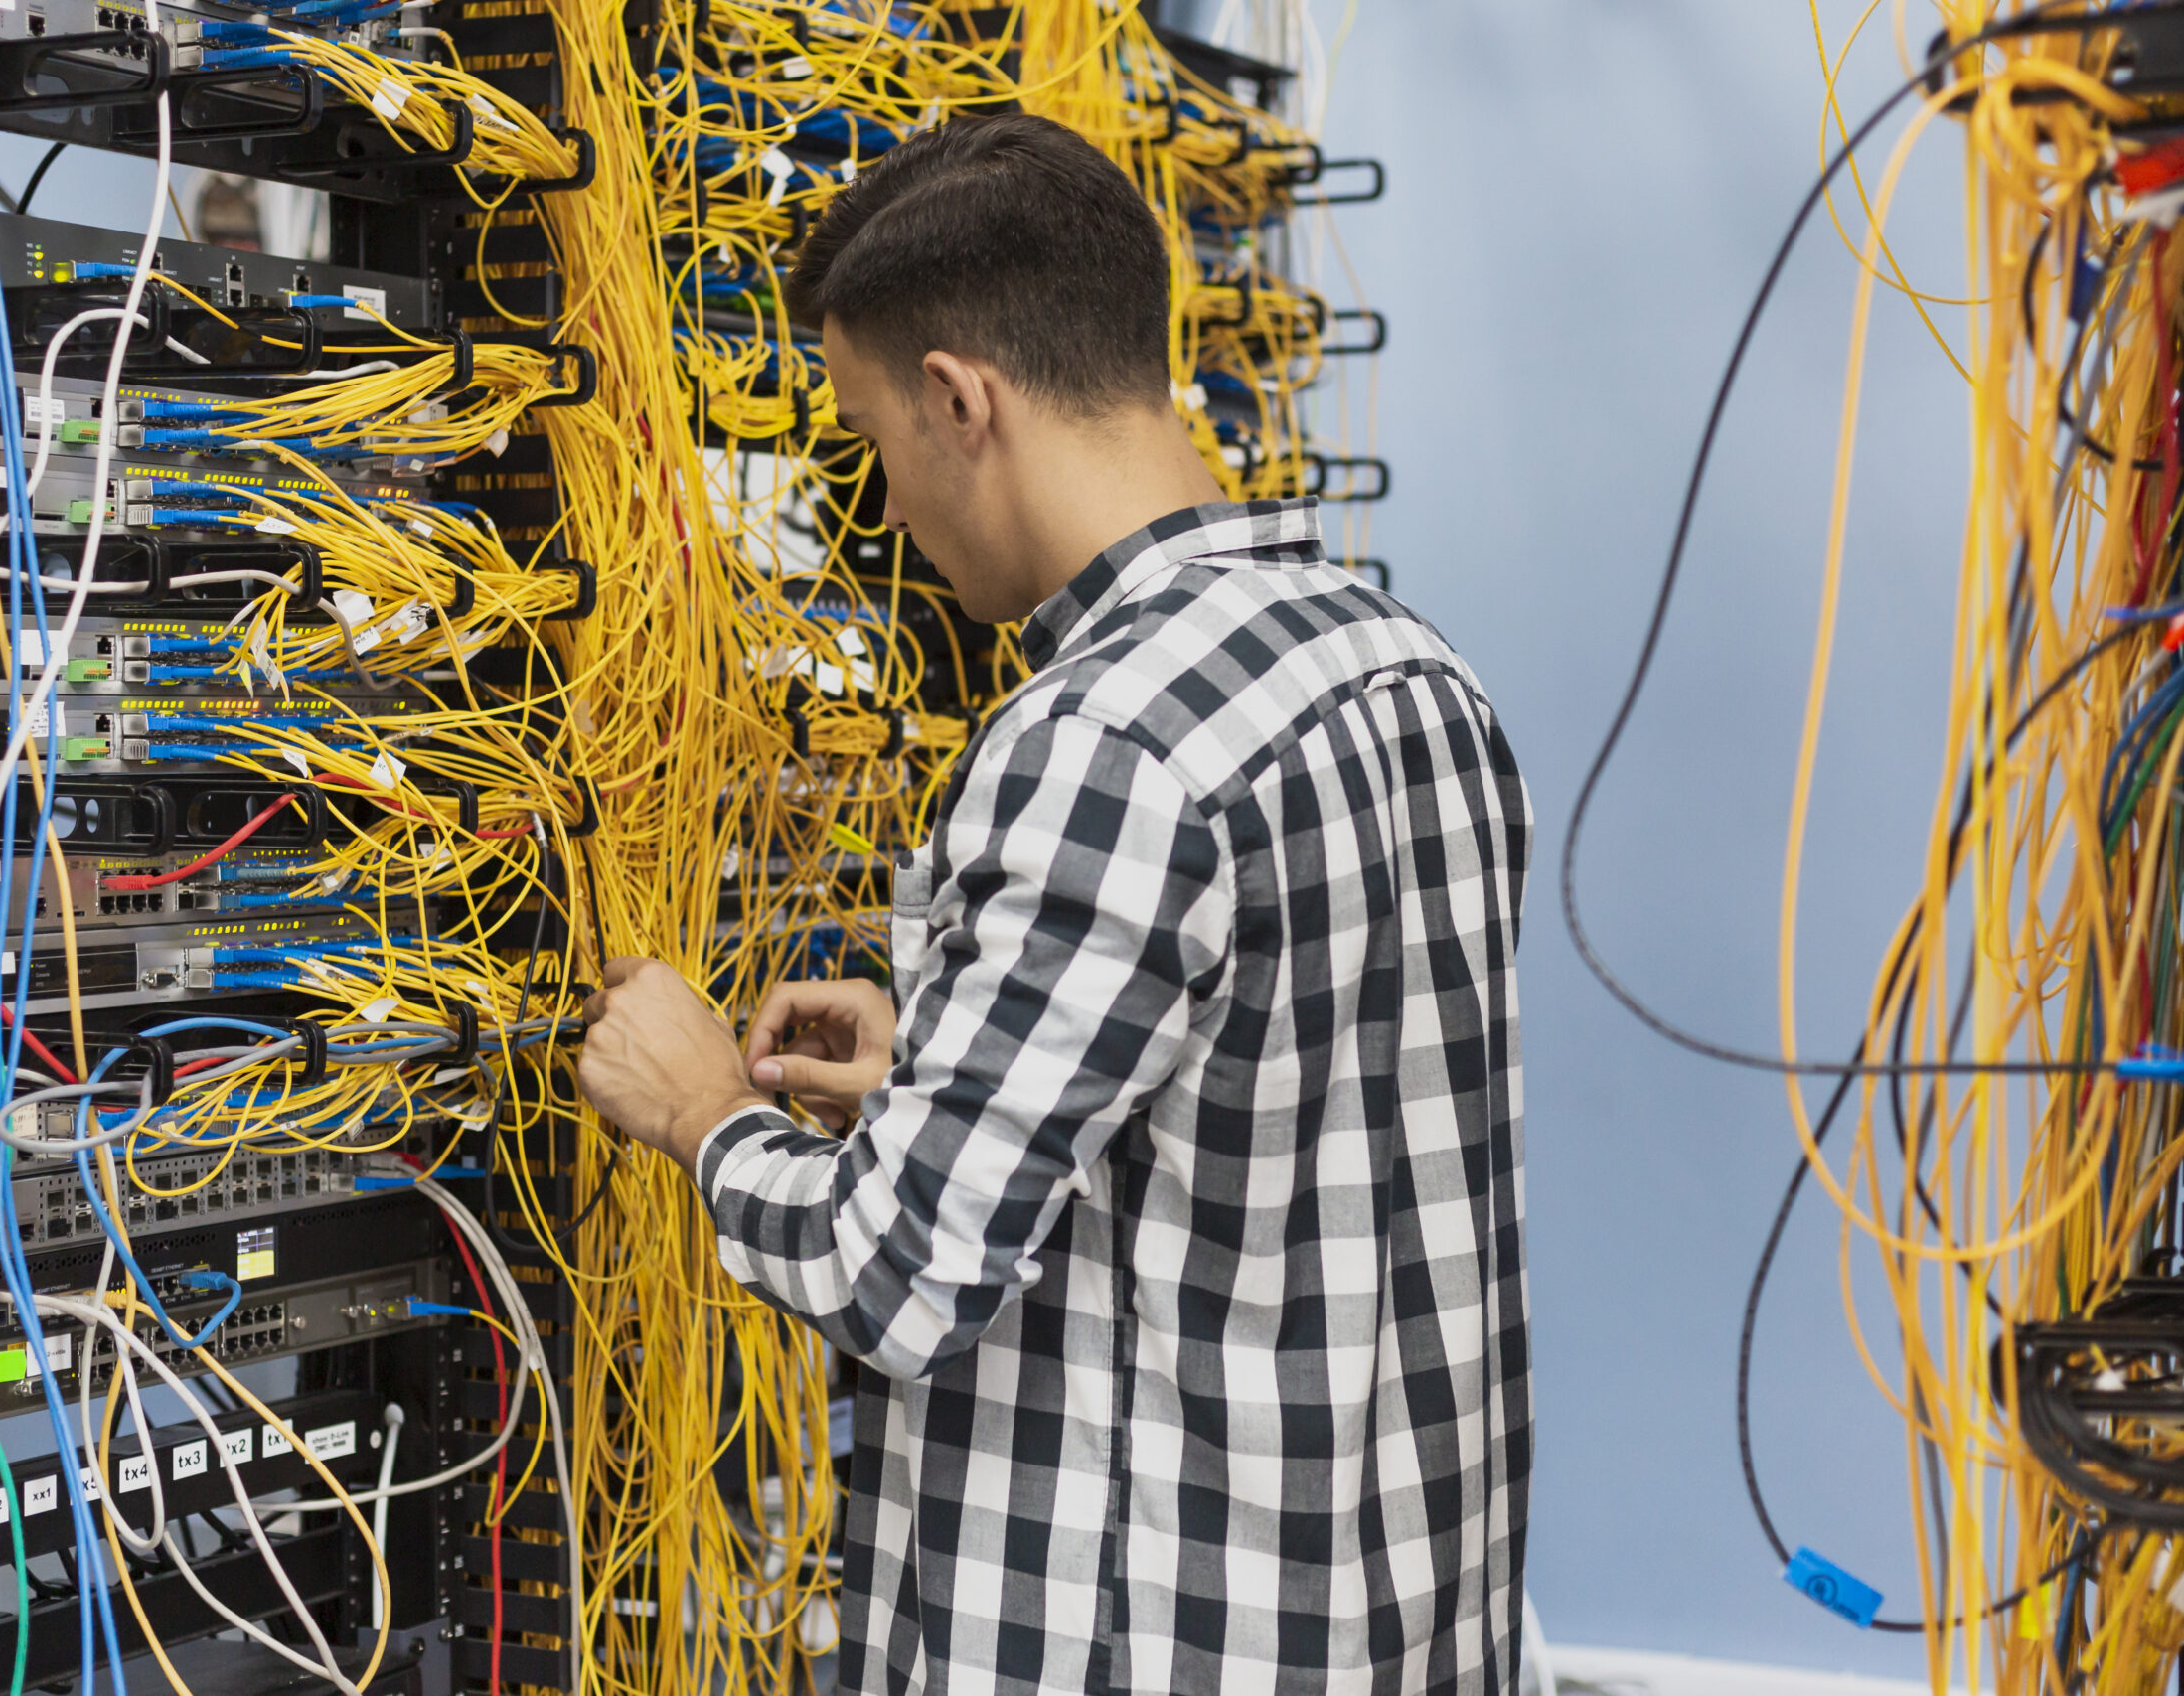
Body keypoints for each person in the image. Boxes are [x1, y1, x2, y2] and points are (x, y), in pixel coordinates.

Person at [577, 111, 1530, 1696]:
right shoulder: (1406, 668)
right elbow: (1266, 1116)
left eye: (872, 441)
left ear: (960, 401)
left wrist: (692, 1108)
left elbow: (893, 1276)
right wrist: (951, 1060)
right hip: (1396, 1623)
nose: (880, 508)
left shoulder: (1100, 744)